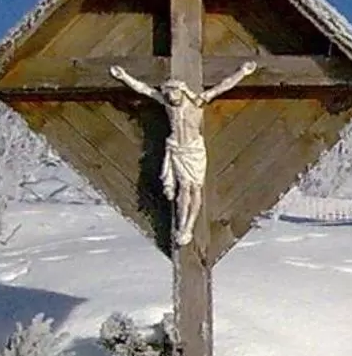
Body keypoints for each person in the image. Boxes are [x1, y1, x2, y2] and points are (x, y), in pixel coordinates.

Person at [108, 60, 259, 246]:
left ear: (182, 91)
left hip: (193, 150)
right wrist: (124, 77)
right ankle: (182, 226)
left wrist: (242, 72)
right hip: (177, 148)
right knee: (184, 189)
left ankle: (189, 226)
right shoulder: (168, 105)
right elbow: (144, 90)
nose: (171, 96)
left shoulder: (198, 102)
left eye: (174, 92)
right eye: (168, 92)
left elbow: (223, 86)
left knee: (195, 188)